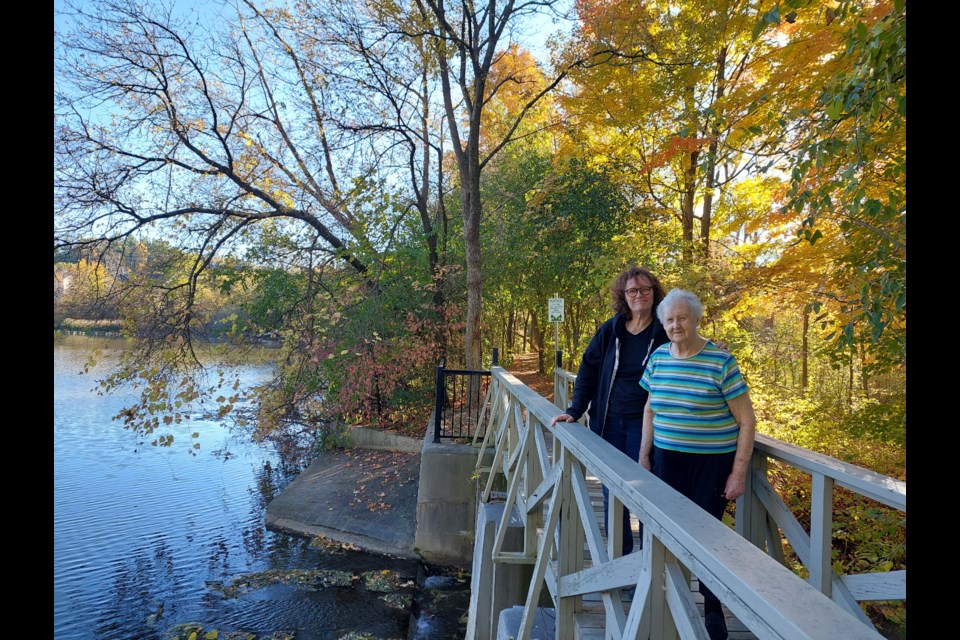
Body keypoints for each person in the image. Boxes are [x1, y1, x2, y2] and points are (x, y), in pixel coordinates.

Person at [639, 289, 756, 640]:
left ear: (695, 319)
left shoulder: (720, 362)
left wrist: (738, 473)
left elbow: (747, 421)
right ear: (663, 323)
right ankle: (661, 599)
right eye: (670, 320)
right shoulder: (658, 357)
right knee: (658, 530)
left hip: (711, 464)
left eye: (682, 318)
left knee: (708, 538)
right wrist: (644, 456)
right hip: (666, 460)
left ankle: (712, 608)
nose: (676, 325)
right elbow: (650, 409)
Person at [550, 265, 669, 557]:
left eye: (644, 289)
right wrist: (575, 409)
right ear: (624, 296)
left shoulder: (666, 329)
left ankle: (648, 564)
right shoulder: (611, 330)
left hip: (649, 426)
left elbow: (690, 354)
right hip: (610, 423)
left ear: (654, 293)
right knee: (611, 492)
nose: (639, 295)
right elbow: (588, 369)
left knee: (646, 491)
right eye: (632, 291)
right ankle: (621, 561)